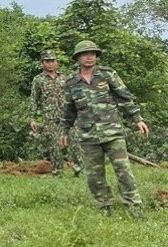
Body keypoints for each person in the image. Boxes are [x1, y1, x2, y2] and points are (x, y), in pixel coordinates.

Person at [60, 40, 149, 215]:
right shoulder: (71, 82)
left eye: (92, 53)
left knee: (123, 170)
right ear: (78, 58)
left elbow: (124, 98)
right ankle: (104, 207)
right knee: (94, 175)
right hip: (88, 136)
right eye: (85, 54)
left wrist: (137, 119)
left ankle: (134, 206)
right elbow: (68, 110)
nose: (89, 57)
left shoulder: (107, 74)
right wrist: (64, 131)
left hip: (113, 132)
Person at [29, 49, 81, 176]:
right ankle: (58, 172)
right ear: (42, 63)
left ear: (56, 62)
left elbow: (73, 97)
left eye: (52, 61)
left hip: (68, 117)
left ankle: (79, 171)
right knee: (55, 147)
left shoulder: (64, 78)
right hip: (50, 118)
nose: (50, 64)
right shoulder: (38, 80)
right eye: (47, 61)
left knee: (75, 143)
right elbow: (34, 99)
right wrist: (32, 118)